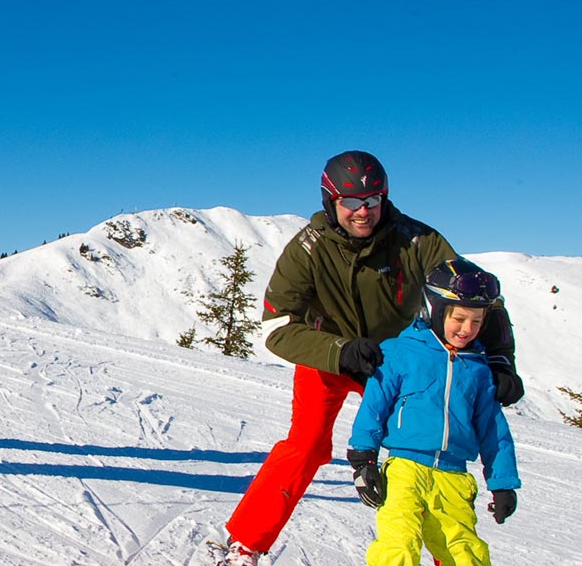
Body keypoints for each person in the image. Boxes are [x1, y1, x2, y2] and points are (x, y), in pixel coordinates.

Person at [212, 150, 523, 565]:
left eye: (372, 201)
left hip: (399, 360)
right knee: (306, 445)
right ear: (331, 200)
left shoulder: (417, 240)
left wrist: (500, 359)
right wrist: (338, 351)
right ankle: (246, 543)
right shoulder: (309, 248)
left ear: (384, 198)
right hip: (331, 357)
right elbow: (277, 326)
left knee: (422, 451)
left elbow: (471, 292)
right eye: (352, 203)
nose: (363, 212)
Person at [347, 258, 520, 566]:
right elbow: (373, 406)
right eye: (460, 318)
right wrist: (364, 460)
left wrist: (503, 483)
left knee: (464, 552)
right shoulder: (400, 352)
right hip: (405, 469)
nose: (467, 329)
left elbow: (494, 431)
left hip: (454, 476)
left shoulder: (479, 369)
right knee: (398, 545)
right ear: (435, 309)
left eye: (477, 322)